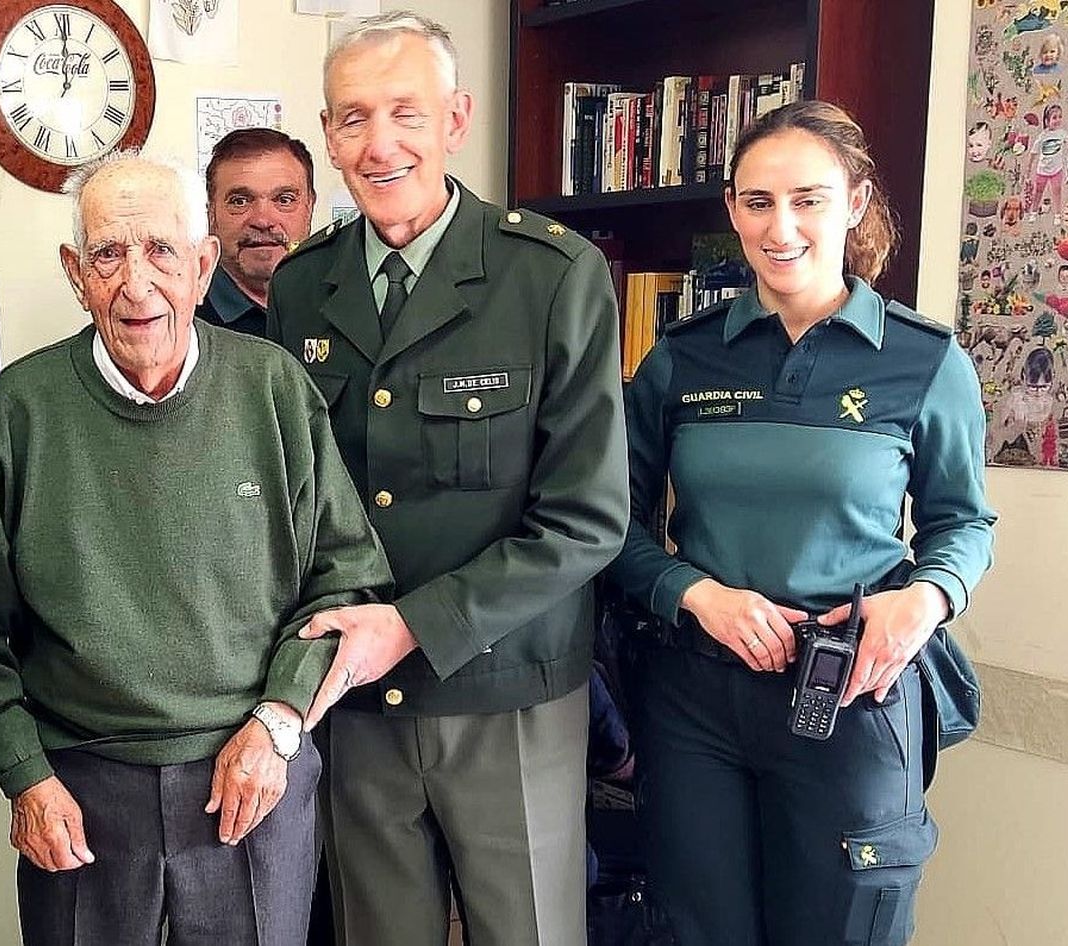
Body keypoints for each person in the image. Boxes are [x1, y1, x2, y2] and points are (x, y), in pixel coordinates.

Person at [0, 151, 393, 946]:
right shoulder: (16, 413)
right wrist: (25, 774)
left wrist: (280, 720)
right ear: (75, 274)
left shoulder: (275, 389)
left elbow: (346, 580)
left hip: (252, 771)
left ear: (202, 264)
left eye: (161, 251)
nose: (137, 282)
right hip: (78, 785)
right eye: (108, 254)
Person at [267, 12, 630, 946]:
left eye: (405, 112)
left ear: (457, 119)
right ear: (328, 134)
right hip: (353, 695)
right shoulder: (305, 284)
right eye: (352, 119)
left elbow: (588, 519)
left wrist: (413, 627)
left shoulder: (550, 273)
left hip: (506, 687)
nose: (378, 144)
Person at [607, 99, 997, 946]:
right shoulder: (683, 355)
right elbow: (616, 528)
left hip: (852, 693)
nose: (780, 227)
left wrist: (922, 601)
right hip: (695, 703)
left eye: (808, 199)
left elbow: (964, 525)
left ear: (855, 201)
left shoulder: (925, 361)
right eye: (757, 202)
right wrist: (695, 593)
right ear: (732, 211)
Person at [197, 127, 318, 337]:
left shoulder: (344, 306)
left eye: (284, 200)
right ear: (211, 215)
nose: (263, 221)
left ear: (310, 207)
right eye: (240, 201)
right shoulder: (182, 322)